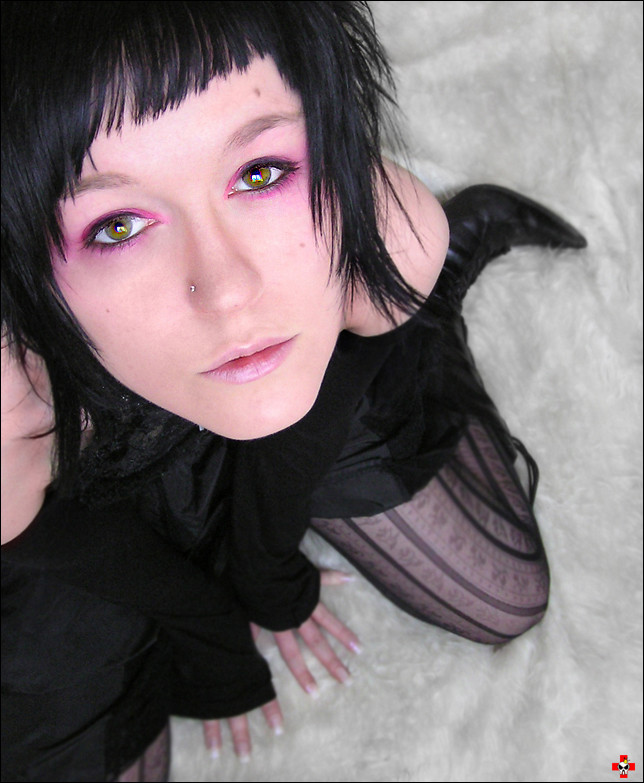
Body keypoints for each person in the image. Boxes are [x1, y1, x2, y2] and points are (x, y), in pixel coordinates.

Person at [1, 2, 587, 781]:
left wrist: (270, 579)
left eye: (260, 172)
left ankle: (432, 298)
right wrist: (218, 647)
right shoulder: (13, 393)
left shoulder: (389, 229)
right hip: (93, 480)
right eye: (117, 226)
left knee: (507, 597)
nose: (227, 289)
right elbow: (102, 557)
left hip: (303, 380)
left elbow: (300, 434)